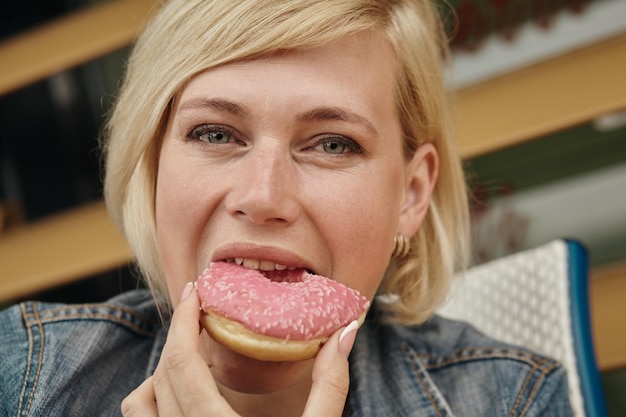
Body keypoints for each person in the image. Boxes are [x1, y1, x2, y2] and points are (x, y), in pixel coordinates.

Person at [0, 0, 574, 416]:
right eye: (215, 134)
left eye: (333, 143)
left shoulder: (510, 398)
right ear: (152, 171)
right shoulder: (26, 373)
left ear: (410, 196)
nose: (263, 197)